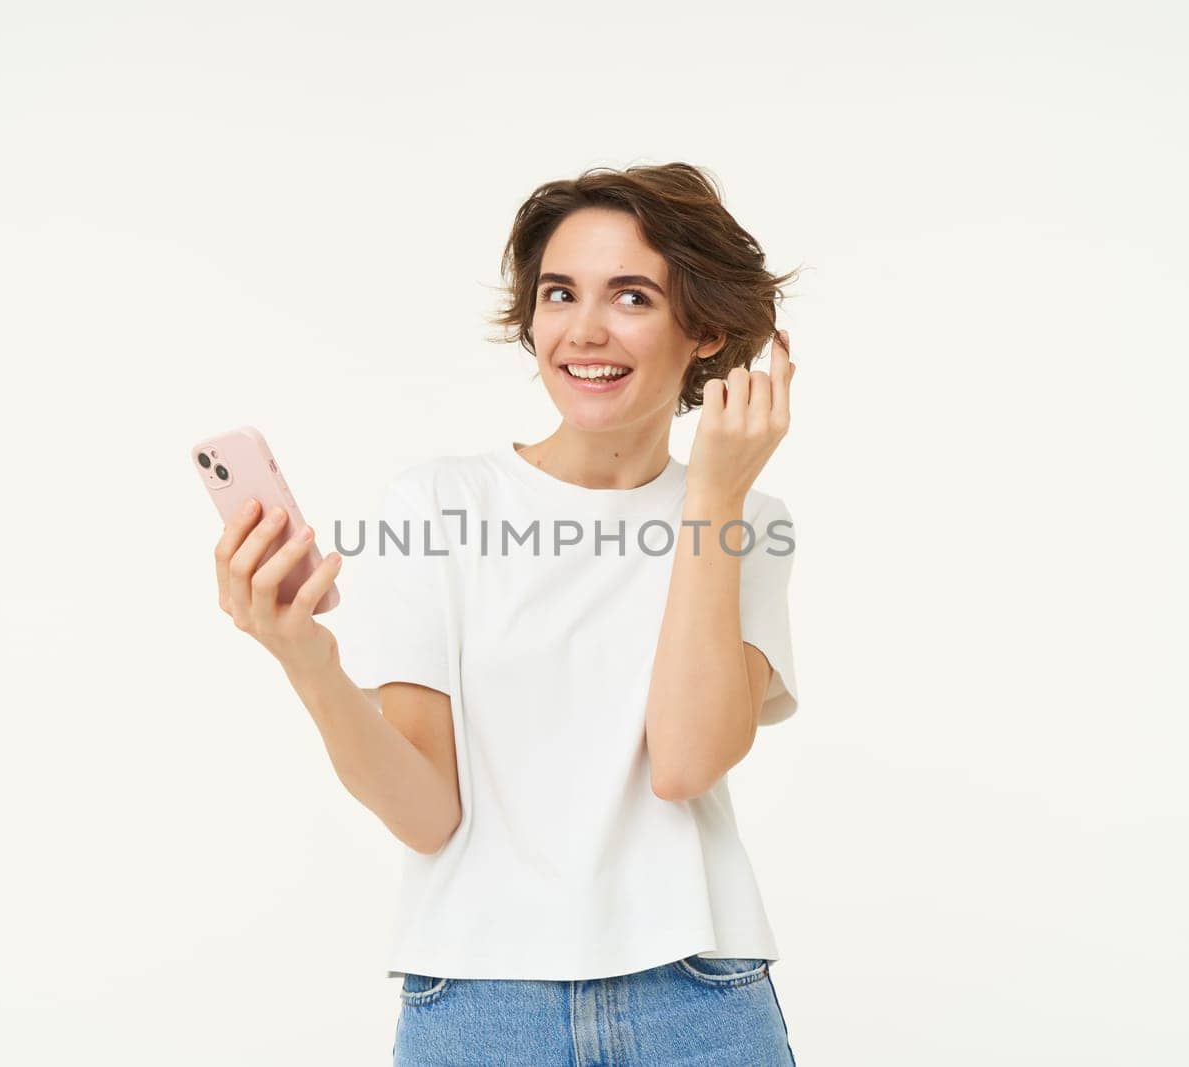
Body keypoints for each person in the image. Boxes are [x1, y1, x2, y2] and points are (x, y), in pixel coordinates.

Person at [211, 162, 803, 1065]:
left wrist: (715, 497)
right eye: (559, 293)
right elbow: (426, 815)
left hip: (699, 998)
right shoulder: (439, 507)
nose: (583, 331)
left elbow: (684, 762)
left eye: (632, 296)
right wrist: (307, 658)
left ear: (708, 331)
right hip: (479, 1007)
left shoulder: (749, 521)